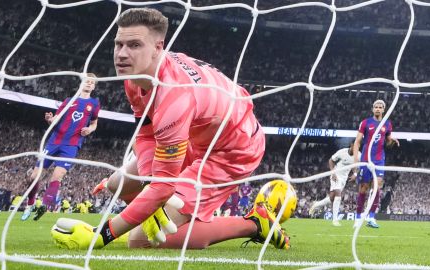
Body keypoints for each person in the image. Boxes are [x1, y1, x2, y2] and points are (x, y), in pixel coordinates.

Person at [51, 8, 296, 250]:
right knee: (118, 184)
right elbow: (146, 135)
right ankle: (158, 214)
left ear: (158, 48)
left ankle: (254, 223)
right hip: (196, 134)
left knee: (139, 241)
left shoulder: (174, 97)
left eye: (134, 45)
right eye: (118, 44)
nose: (121, 54)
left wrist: (99, 236)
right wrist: (150, 187)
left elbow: (164, 185)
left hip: (232, 150)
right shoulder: (134, 78)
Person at [21, 73, 100, 221]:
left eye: (92, 82)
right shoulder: (69, 101)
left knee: (57, 176)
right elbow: (56, 118)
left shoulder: (94, 104)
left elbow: (94, 123)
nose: (89, 84)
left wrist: (89, 129)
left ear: (94, 86)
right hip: (54, 142)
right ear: (81, 83)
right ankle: (30, 204)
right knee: (33, 176)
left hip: (71, 145)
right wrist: (51, 119)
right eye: (87, 81)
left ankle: (44, 206)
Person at [353, 100, 399, 228]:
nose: (378, 109)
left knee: (377, 187)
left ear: (384, 109)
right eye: (376, 107)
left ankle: (371, 217)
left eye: (380, 107)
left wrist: (392, 141)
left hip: (379, 159)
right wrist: (356, 160)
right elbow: (357, 141)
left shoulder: (387, 124)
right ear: (373, 109)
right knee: (363, 188)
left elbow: (388, 142)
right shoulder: (366, 123)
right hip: (366, 159)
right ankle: (358, 217)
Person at [309, 142, 357, 226]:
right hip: (336, 175)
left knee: (331, 198)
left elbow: (355, 166)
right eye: (355, 146)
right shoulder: (342, 152)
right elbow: (331, 160)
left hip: (344, 179)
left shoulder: (358, 155)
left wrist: (355, 174)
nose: (356, 148)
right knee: (338, 196)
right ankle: (335, 220)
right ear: (351, 145)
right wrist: (333, 172)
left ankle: (316, 205)